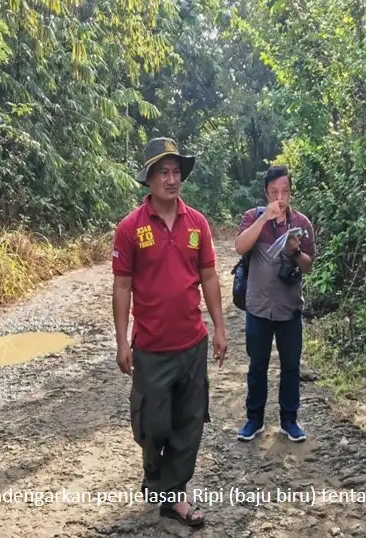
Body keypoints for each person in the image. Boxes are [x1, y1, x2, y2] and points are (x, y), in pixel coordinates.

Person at [112, 137, 229, 528]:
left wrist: (219, 328)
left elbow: (209, 275)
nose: (172, 178)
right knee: (153, 426)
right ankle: (154, 472)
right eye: (163, 171)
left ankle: (174, 495)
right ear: (149, 178)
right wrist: (120, 340)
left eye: (177, 171)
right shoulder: (130, 229)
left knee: (189, 423)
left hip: (192, 344)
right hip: (150, 347)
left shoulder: (197, 224)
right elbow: (123, 285)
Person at [233, 165, 316, 442]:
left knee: (291, 366)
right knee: (257, 365)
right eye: (274, 192)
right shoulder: (252, 217)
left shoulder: (302, 224)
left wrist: (295, 252)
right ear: (266, 193)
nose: (280, 198)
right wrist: (263, 219)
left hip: (289, 308)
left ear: (291, 192)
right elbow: (240, 246)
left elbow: (308, 266)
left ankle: (289, 420)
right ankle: (254, 419)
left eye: (285, 192)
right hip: (257, 307)